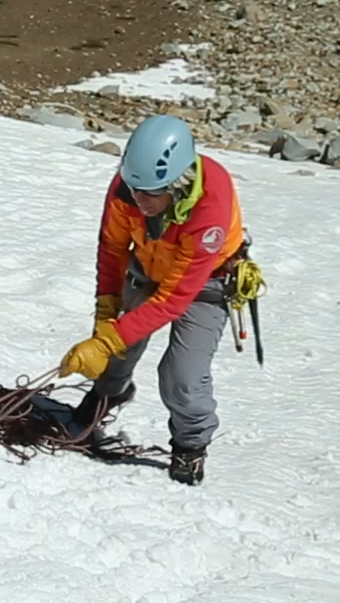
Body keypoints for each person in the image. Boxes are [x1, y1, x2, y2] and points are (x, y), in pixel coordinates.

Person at [58, 114, 246, 485]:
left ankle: (190, 446)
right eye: (133, 189)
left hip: (206, 284)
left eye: (150, 194)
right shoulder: (127, 188)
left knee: (181, 377)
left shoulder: (210, 204)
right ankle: (109, 395)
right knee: (114, 350)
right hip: (146, 269)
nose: (138, 201)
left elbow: (175, 298)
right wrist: (106, 314)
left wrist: (110, 335)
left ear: (178, 184)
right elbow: (112, 249)